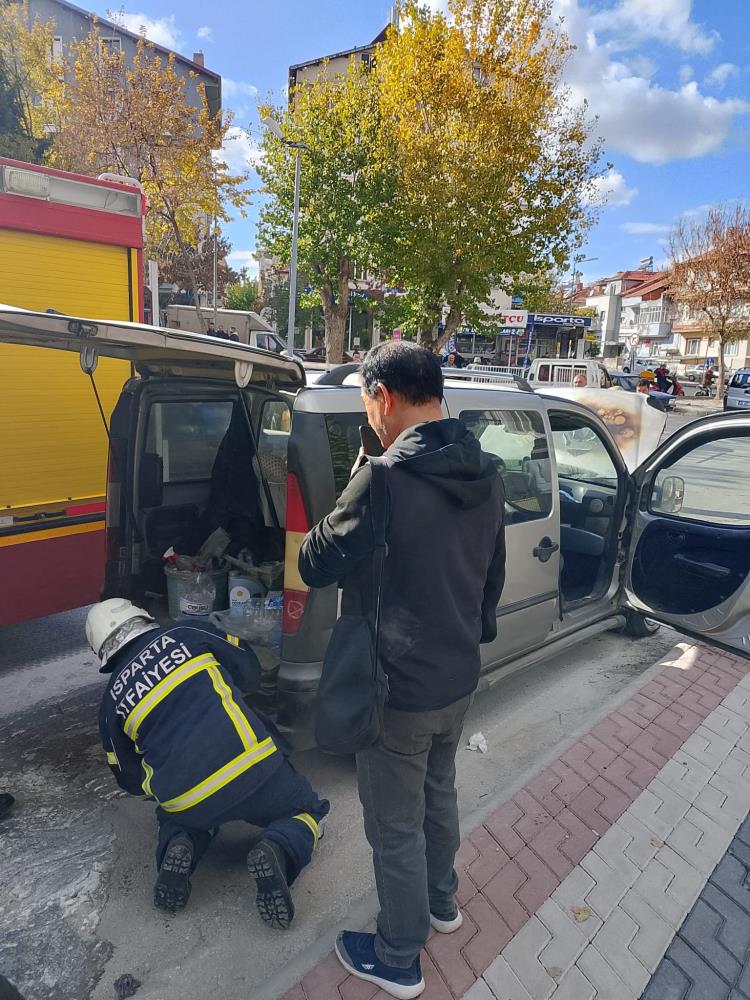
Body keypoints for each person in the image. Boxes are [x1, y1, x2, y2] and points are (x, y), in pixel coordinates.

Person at [298, 342, 506, 999]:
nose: (371, 415)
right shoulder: (488, 470)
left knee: (393, 824)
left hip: (398, 687)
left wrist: (362, 464)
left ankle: (397, 955)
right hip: (456, 675)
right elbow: (490, 580)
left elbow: (315, 562)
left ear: (384, 397)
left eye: (368, 402)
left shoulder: (385, 475)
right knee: (438, 793)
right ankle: (442, 904)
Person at [88, 599, 329, 925]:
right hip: (254, 770)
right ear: (141, 618)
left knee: (176, 815)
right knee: (306, 811)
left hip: (190, 798)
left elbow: (127, 778)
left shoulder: (110, 704)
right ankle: (279, 847)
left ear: (102, 651)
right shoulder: (187, 632)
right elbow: (248, 667)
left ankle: (181, 840)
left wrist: (162, 784)